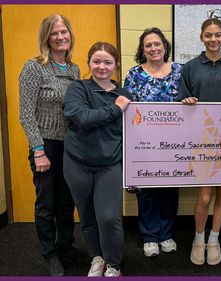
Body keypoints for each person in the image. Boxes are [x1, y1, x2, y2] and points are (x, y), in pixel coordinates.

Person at [177, 18, 221, 266]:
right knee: (204, 195)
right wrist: (186, 102)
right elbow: (181, 100)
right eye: (208, 35)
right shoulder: (190, 67)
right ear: (201, 38)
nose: (213, 39)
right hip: (201, 140)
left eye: (217, 35)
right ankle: (199, 238)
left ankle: (214, 238)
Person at [19, 14, 80, 276]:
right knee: (46, 204)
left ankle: (65, 246)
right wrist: (38, 150)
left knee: (67, 202)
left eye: (64, 32)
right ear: (46, 37)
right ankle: (50, 254)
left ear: (70, 35)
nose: (60, 37)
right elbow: (26, 113)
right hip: (45, 145)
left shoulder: (75, 69)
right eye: (54, 32)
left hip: (71, 147)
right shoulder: (34, 67)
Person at [63, 42, 131, 277]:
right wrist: (115, 109)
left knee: (109, 217)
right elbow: (81, 117)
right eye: (97, 61)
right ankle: (97, 257)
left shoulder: (124, 95)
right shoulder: (78, 88)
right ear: (89, 62)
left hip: (109, 164)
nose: (102, 66)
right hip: (77, 162)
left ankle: (113, 263)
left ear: (116, 65)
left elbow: (133, 132)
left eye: (108, 62)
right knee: (87, 215)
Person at [123, 27, 182, 258]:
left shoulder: (180, 71)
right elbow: (125, 109)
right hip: (143, 144)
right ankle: (149, 236)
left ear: (165, 46)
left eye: (157, 44)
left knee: (169, 190)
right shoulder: (133, 74)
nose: (153, 48)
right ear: (142, 50)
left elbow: (192, 100)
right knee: (146, 191)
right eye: (148, 45)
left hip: (175, 143)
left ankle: (166, 234)